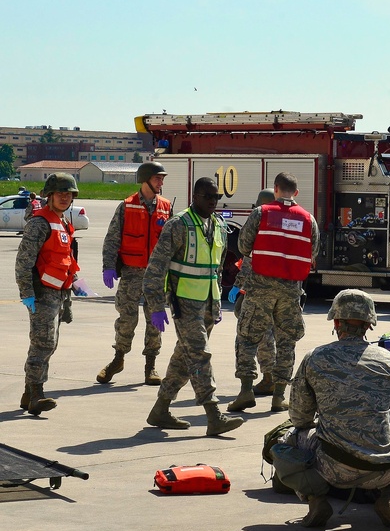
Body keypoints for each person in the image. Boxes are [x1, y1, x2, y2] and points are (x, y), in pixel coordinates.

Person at [278, 289, 390, 530]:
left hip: (332, 468)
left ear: (335, 321)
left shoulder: (315, 358)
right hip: (384, 468)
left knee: (288, 439)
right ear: (369, 325)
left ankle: (315, 499)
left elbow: (299, 416)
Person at [143, 177, 244, 436]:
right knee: (200, 355)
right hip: (184, 302)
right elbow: (155, 268)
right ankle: (213, 414)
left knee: (184, 357)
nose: (212, 202)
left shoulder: (219, 225)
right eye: (207, 197)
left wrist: (217, 303)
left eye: (216, 198)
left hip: (208, 303)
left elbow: (217, 269)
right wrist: (156, 305)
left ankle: (161, 409)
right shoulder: (179, 224)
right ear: (195, 196)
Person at [231, 173, 320, 413]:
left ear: (276, 189)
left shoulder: (261, 213)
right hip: (291, 289)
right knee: (286, 340)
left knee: (247, 337)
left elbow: (243, 246)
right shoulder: (308, 220)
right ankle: (279, 395)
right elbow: (314, 251)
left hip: (260, 285)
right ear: (297, 193)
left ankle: (246, 390)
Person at [96, 161, 173, 386]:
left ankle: (151, 366)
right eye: (158, 178)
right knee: (126, 319)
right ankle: (118, 359)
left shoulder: (166, 206)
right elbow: (112, 239)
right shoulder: (127, 206)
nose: (161, 182)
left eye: (162, 179)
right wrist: (108, 266)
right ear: (146, 179)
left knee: (154, 322)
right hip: (131, 272)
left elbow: (174, 243)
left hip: (157, 275)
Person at [15, 173, 82, 415]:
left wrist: (74, 287)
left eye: (69, 193)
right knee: (43, 344)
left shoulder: (62, 222)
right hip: (41, 294)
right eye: (60, 193)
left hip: (59, 294)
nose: (65, 197)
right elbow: (23, 261)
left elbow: (65, 258)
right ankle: (36, 394)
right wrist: (27, 293)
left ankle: (27, 394)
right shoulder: (39, 223)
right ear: (49, 195)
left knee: (50, 345)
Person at [228, 189, 278, 397]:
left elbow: (249, 261)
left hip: (258, 291)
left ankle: (267, 379)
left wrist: (237, 286)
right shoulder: (283, 227)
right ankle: (273, 379)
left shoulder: (261, 228)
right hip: (281, 292)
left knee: (253, 336)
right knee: (273, 336)